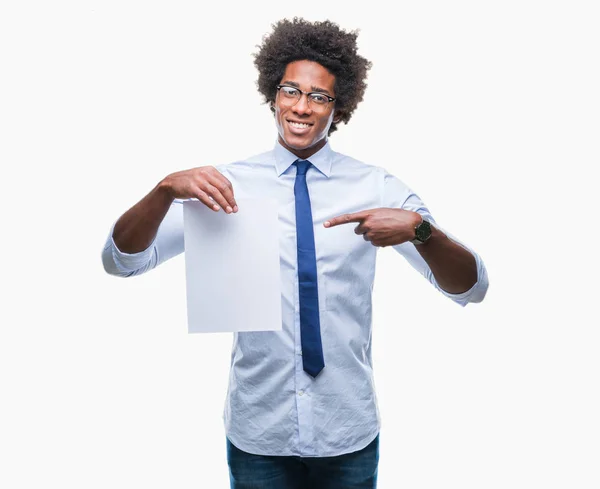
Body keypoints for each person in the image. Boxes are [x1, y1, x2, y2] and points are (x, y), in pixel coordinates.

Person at [102, 17, 488, 489]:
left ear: (338, 107)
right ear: (273, 95)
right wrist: (162, 190)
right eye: (290, 91)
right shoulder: (225, 186)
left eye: (319, 96)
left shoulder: (376, 186)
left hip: (347, 428)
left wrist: (422, 232)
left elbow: (471, 288)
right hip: (259, 431)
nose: (302, 107)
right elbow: (122, 262)